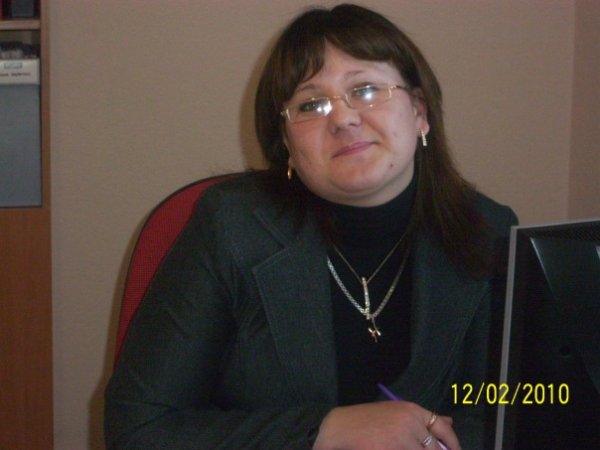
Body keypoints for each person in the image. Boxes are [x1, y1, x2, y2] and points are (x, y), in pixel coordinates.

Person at [105, 4, 518, 449]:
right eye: (311, 104)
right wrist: (321, 430)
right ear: (286, 143)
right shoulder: (230, 228)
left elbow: (513, 406)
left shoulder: (489, 232)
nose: (343, 119)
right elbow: (138, 427)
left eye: (365, 90)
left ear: (419, 111)